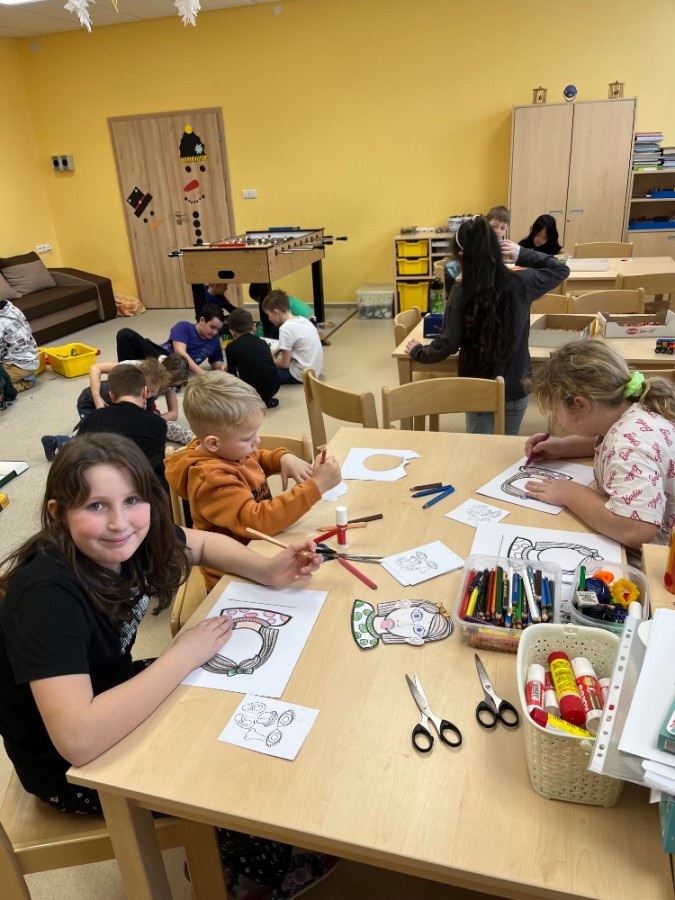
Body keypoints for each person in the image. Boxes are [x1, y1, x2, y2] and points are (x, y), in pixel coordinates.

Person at [0, 433, 336, 899]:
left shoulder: (133, 539)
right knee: (234, 773)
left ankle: (235, 851)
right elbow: (77, 741)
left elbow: (201, 544)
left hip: (110, 692)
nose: (119, 522)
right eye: (96, 506)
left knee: (250, 709)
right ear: (58, 514)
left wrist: (266, 570)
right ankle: (248, 880)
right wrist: (182, 655)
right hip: (65, 766)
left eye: (132, 500)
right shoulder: (46, 596)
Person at [165, 372, 341, 591]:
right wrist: (317, 486)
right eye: (248, 438)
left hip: (261, 553)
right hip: (233, 577)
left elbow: (257, 457)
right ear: (213, 443)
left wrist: (282, 458)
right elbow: (258, 521)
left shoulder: (230, 451)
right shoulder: (212, 479)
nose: (257, 441)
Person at [405, 215, 569, 435]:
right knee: (506, 445)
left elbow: (448, 343)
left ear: (461, 256)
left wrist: (419, 352)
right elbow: (560, 269)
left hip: (477, 387)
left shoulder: (461, 292)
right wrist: (521, 253)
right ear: (497, 250)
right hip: (515, 385)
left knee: (479, 446)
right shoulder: (521, 282)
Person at [523, 340, 675, 550]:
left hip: (660, 558)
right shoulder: (631, 410)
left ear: (581, 405)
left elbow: (636, 530)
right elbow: (608, 440)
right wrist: (563, 447)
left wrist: (569, 493)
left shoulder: (628, 446)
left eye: (555, 410)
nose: (555, 417)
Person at [40, 365, 169, 494]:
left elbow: (78, 455)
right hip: (141, 487)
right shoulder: (158, 423)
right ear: (144, 392)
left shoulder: (94, 418)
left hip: (98, 487)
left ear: (112, 396)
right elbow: (158, 465)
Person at [78, 355, 193, 444]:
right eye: (148, 391)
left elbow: (173, 414)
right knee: (96, 436)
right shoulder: (133, 370)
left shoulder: (160, 387)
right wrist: (97, 397)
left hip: (119, 407)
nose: (167, 388)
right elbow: (95, 368)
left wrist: (151, 420)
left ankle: (192, 438)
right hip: (90, 402)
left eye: (173, 386)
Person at [116, 303, 226, 377]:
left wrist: (221, 367)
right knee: (125, 334)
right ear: (202, 320)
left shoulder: (215, 340)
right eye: (212, 327)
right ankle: (124, 375)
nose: (215, 332)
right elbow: (180, 353)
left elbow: (215, 361)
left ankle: (137, 375)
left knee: (174, 373)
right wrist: (201, 372)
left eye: (218, 329)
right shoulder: (184, 327)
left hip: (173, 369)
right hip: (162, 356)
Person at [263, 290, 323, 384]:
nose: (268, 318)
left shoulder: (285, 329)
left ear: (275, 312)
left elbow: (285, 364)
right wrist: (274, 350)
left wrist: (269, 361)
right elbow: (291, 340)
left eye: (268, 315)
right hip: (315, 370)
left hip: (302, 375)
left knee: (263, 372)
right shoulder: (302, 319)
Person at [225, 307, 281, 409]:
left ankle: (252, 401)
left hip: (251, 391)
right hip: (274, 387)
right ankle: (266, 400)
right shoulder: (263, 342)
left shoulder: (231, 347)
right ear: (254, 326)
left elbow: (231, 373)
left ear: (232, 331)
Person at [0, 299, 39, 392]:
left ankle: (26, 382)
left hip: (17, 365)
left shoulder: (1, 323)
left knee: (1, 383)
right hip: (32, 358)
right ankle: (26, 376)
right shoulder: (11, 309)